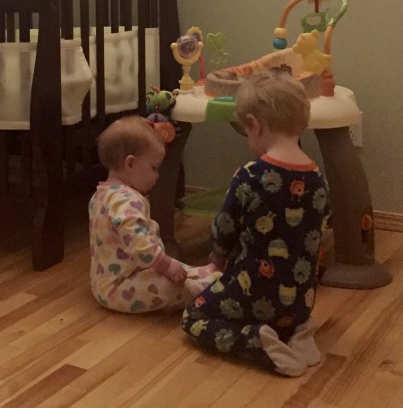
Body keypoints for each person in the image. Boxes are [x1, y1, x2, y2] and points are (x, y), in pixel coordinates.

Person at [181, 70, 330, 376]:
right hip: (300, 301)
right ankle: (298, 332)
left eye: (247, 130)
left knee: (194, 316)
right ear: (301, 123)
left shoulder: (250, 175)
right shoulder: (317, 179)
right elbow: (319, 230)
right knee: (285, 309)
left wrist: (217, 258)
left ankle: (258, 343)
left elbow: (224, 227)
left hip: (253, 294)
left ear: (255, 125)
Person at [89, 115, 218, 313]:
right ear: (130, 164)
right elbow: (137, 241)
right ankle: (202, 288)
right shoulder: (126, 200)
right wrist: (164, 264)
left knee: (172, 267)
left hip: (108, 281)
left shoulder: (101, 194)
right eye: (154, 168)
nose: (157, 176)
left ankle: (197, 273)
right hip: (122, 287)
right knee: (168, 285)